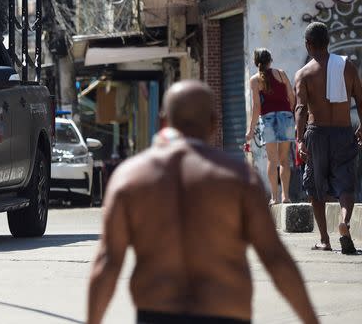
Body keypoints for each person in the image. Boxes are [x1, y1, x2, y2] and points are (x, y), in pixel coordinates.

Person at [87, 80, 318, 324]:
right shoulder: (238, 179)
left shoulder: (129, 178)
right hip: (226, 313)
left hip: (155, 314)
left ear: (163, 122)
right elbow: (275, 259)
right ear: (213, 123)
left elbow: (107, 265)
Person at [294, 22, 361, 254]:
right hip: (343, 132)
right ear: (328, 42)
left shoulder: (304, 74)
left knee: (315, 187)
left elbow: (301, 109)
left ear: (308, 44)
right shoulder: (348, 67)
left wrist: (300, 139)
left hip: (317, 134)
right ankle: (345, 222)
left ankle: (325, 239)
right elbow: (361, 100)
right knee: (346, 184)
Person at [246, 48, 296, 205]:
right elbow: (292, 97)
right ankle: (285, 197)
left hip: (267, 120)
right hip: (286, 117)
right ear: (270, 60)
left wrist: (250, 129)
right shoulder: (281, 73)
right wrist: (288, 113)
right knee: (284, 160)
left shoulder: (255, 80)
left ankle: (274, 198)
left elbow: (256, 107)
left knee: (272, 160)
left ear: (256, 62)